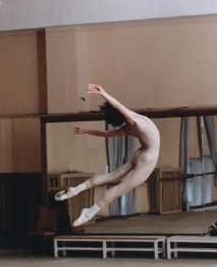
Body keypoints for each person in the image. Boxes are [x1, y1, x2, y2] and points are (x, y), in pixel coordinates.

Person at [55, 84, 160, 226]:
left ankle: (77, 194)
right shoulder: (131, 124)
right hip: (146, 158)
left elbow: (118, 106)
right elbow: (108, 133)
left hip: (141, 155)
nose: (125, 130)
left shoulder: (138, 123)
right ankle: (86, 207)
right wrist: (86, 130)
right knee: (116, 188)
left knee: (113, 179)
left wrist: (103, 93)